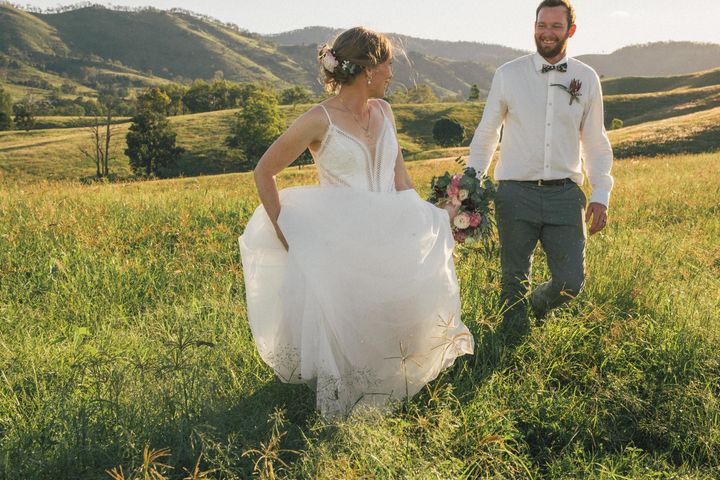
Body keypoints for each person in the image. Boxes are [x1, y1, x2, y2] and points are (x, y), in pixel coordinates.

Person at [239, 27, 473, 418]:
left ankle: (392, 394)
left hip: (391, 232)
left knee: (397, 312)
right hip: (342, 242)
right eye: (388, 64)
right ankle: (346, 407)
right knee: (350, 323)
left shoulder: (385, 112)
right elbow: (264, 171)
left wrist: (435, 220)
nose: (391, 74)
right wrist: (287, 233)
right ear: (367, 69)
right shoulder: (319, 119)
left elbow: (401, 182)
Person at [467, 0, 614, 325]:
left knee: (570, 282)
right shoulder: (508, 74)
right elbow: (487, 133)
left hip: (565, 196)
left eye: (555, 26)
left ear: (570, 31)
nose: (547, 33)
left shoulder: (586, 78)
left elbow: (595, 141)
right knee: (513, 281)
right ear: (534, 26)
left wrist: (600, 193)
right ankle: (512, 353)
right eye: (541, 25)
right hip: (514, 194)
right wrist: (470, 184)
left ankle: (539, 303)